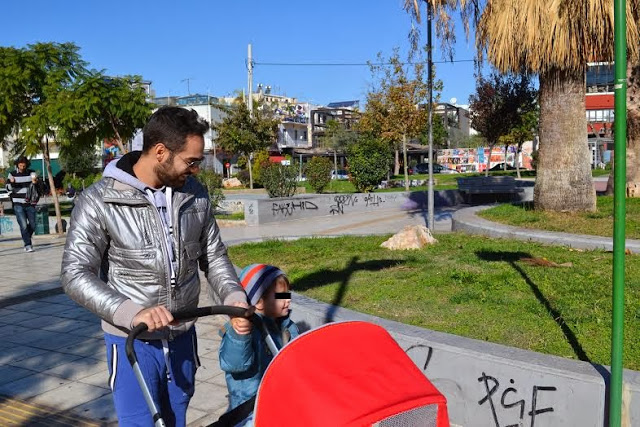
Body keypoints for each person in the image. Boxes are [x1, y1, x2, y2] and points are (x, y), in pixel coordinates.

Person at [61, 106, 248, 427]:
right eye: (191, 161)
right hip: (132, 341)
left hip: (182, 337)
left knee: (175, 421)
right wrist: (130, 312)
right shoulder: (99, 200)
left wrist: (232, 295)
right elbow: (75, 274)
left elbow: (214, 255)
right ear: (160, 152)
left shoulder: (194, 194)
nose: (196, 170)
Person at [218, 264, 299, 425]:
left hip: (278, 401)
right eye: (281, 296)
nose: (288, 300)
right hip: (249, 408)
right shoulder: (244, 330)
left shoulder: (287, 327)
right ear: (259, 302)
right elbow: (234, 364)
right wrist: (240, 336)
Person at [7, 156, 37, 252]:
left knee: (33, 225)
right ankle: (28, 244)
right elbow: (8, 188)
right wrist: (12, 183)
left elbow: (35, 185)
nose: (22, 167)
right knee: (23, 225)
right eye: (20, 165)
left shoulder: (32, 173)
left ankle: (26, 237)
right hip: (17, 203)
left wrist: (35, 182)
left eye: (24, 166)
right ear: (17, 165)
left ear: (26, 165)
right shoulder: (12, 174)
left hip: (30, 203)